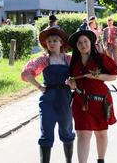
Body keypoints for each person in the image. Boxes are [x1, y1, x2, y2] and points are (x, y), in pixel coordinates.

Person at [21, 26, 75, 163]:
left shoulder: (69, 60)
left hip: (65, 99)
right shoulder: (44, 60)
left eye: (55, 40)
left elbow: (79, 77)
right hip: (48, 100)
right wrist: (39, 86)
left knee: (67, 132)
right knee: (46, 133)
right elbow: (27, 72)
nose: (51, 43)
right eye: (49, 41)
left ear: (61, 42)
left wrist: (73, 84)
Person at [65, 29, 117, 163]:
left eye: (85, 41)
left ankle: (101, 160)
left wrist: (96, 76)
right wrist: (72, 85)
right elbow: (71, 79)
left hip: (100, 102)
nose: (83, 45)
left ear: (90, 42)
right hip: (80, 101)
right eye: (79, 43)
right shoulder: (74, 61)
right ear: (76, 46)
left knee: (101, 133)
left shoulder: (100, 58)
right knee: (82, 134)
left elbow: (113, 76)